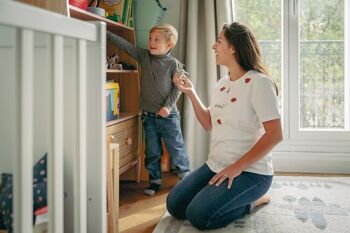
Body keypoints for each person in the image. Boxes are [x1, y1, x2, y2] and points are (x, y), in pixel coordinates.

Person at [167, 22, 283, 230]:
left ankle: (252, 202)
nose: (213, 46)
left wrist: (236, 167)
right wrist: (191, 92)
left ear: (234, 47)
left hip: (251, 172)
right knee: (175, 205)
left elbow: (274, 135)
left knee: (198, 215)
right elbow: (209, 123)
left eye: (219, 41)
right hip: (215, 165)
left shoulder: (260, 83)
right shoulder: (222, 84)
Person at [107, 23, 190, 196]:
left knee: (176, 148)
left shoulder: (174, 64)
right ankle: (155, 181)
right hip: (148, 116)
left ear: (169, 45)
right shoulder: (144, 57)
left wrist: (167, 107)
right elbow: (126, 46)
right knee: (152, 151)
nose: (151, 42)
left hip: (168, 116)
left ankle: (185, 178)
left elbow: (178, 88)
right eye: (150, 39)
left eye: (156, 40)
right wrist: (106, 33)